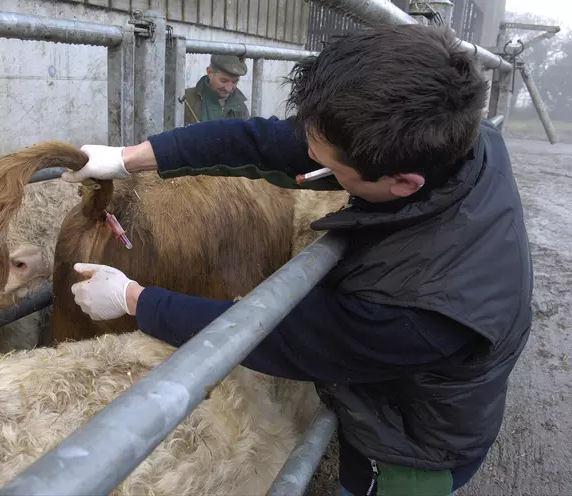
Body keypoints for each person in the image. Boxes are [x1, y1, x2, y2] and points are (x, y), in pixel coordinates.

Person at [61, 24, 533, 496]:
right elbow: (266, 142)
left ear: (402, 183)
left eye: (326, 161)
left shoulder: (420, 311)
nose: (306, 156)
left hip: (409, 451)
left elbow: (286, 336)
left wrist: (134, 299)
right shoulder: (460, 140)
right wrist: (131, 158)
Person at [182, 54, 251, 124]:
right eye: (224, 81)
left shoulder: (240, 107)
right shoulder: (185, 100)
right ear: (210, 73)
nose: (229, 89)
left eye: (235, 82)